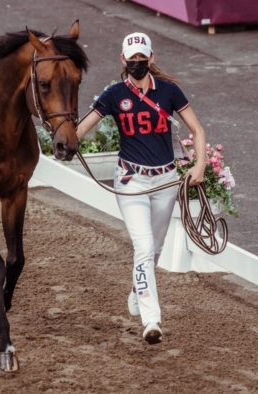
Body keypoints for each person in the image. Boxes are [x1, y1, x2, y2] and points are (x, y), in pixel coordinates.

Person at [76, 32, 207, 345]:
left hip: (164, 180)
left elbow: (197, 130)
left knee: (156, 248)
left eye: (141, 58)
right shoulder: (112, 95)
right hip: (131, 180)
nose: (137, 63)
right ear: (123, 60)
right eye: (131, 59)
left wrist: (199, 164)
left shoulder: (169, 91)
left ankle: (138, 288)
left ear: (151, 57)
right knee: (144, 247)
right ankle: (152, 320)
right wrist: (67, 139)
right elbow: (81, 128)